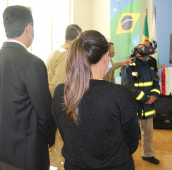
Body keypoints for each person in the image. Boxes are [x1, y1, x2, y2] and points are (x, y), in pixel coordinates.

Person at [53, 30, 139, 170]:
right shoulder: (119, 95)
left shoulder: (60, 92)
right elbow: (132, 142)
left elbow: (65, 134)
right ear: (106, 57)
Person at [0, 5, 56, 170]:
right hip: (28, 154)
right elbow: (45, 111)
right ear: (29, 28)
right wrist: (50, 138)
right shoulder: (32, 63)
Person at [46, 24, 81, 169]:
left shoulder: (57, 51)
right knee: (59, 142)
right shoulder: (67, 54)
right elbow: (59, 84)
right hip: (60, 104)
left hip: (53, 102)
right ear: (77, 38)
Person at [121, 44, 161, 165]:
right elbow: (128, 87)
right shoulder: (129, 68)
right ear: (136, 52)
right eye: (142, 50)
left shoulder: (149, 67)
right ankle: (124, 157)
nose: (146, 55)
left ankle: (148, 154)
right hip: (134, 107)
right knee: (129, 134)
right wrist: (144, 98)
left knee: (148, 133)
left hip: (148, 107)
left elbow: (155, 84)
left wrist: (154, 96)